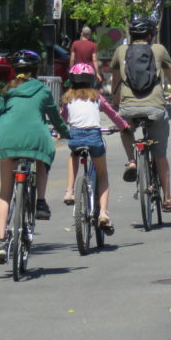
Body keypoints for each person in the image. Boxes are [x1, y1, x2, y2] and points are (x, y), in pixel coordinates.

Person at [0, 50, 72, 264]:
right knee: (41, 159)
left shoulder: (8, 91)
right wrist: (66, 133)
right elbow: (55, 118)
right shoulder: (43, 90)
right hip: (35, 139)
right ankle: (40, 202)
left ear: (15, 71)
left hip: (6, 139)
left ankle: (1, 242)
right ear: (36, 70)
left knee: (5, 194)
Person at [111, 18, 171, 211]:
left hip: (128, 107)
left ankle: (132, 161)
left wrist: (116, 102)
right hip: (155, 108)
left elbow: (116, 81)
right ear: (150, 36)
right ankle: (167, 198)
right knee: (160, 155)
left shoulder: (121, 51)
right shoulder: (159, 50)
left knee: (125, 128)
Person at [60, 63, 130, 235]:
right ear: (91, 80)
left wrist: (59, 131)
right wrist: (124, 126)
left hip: (75, 136)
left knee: (73, 154)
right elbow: (112, 114)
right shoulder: (97, 97)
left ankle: (69, 191)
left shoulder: (68, 98)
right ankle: (104, 213)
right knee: (102, 175)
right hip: (94, 137)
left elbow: (62, 117)